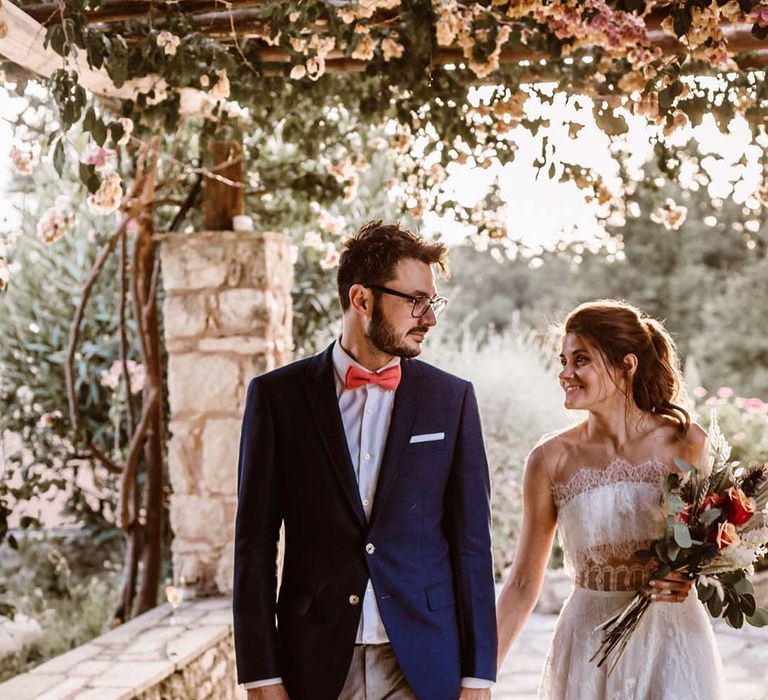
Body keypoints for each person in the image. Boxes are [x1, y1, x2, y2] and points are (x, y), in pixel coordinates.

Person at [233, 221, 497, 700]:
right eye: (415, 301)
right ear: (362, 299)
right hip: (314, 659)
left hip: (424, 660)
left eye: (431, 302)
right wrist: (261, 676)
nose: (429, 318)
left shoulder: (451, 399)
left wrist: (478, 675)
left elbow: (472, 545)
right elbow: (253, 546)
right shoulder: (278, 398)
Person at [496, 299, 725, 699]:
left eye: (580, 360)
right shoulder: (550, 459)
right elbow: (521, 583)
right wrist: (478, 677)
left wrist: (693, 575)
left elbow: (720, 549)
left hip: (672, 641)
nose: (565, 373)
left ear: (627, 364)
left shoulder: (687, 444)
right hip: (587, 646)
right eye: (563, 360)